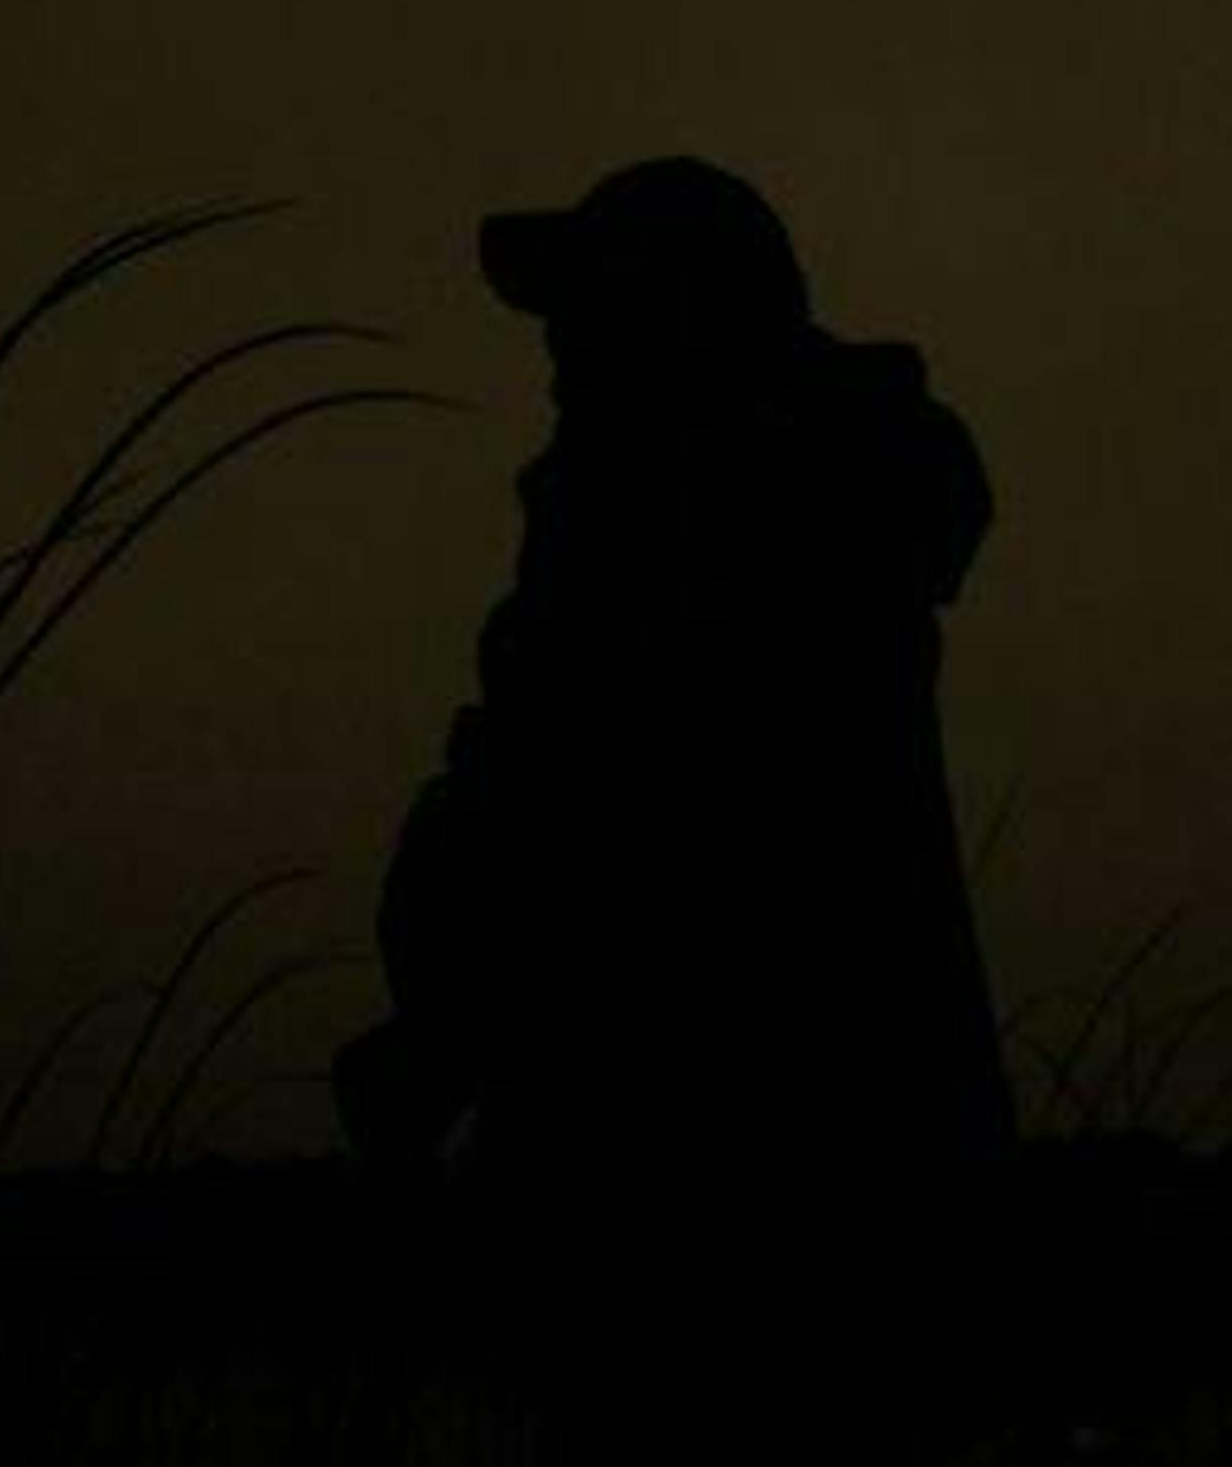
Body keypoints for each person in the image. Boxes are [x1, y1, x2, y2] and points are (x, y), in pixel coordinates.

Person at [333, 157, 1014, 1223]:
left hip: (675, 1166)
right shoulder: (827, 521)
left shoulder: (656, 551)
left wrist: (448, 1046)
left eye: (582, 317)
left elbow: (551, 829)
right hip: (892, 1156)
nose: (553, 354)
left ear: (660, 332)